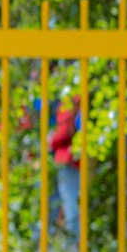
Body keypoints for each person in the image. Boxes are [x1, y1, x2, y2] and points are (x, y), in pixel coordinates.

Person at [46, 88, 82, 243]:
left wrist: (51, 141)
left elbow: (65, 130)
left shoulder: (72, 99)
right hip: (71, 160)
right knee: (68, 205)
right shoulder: (75, 98)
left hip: (70, 160)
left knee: (71, 206)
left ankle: (74, 246)